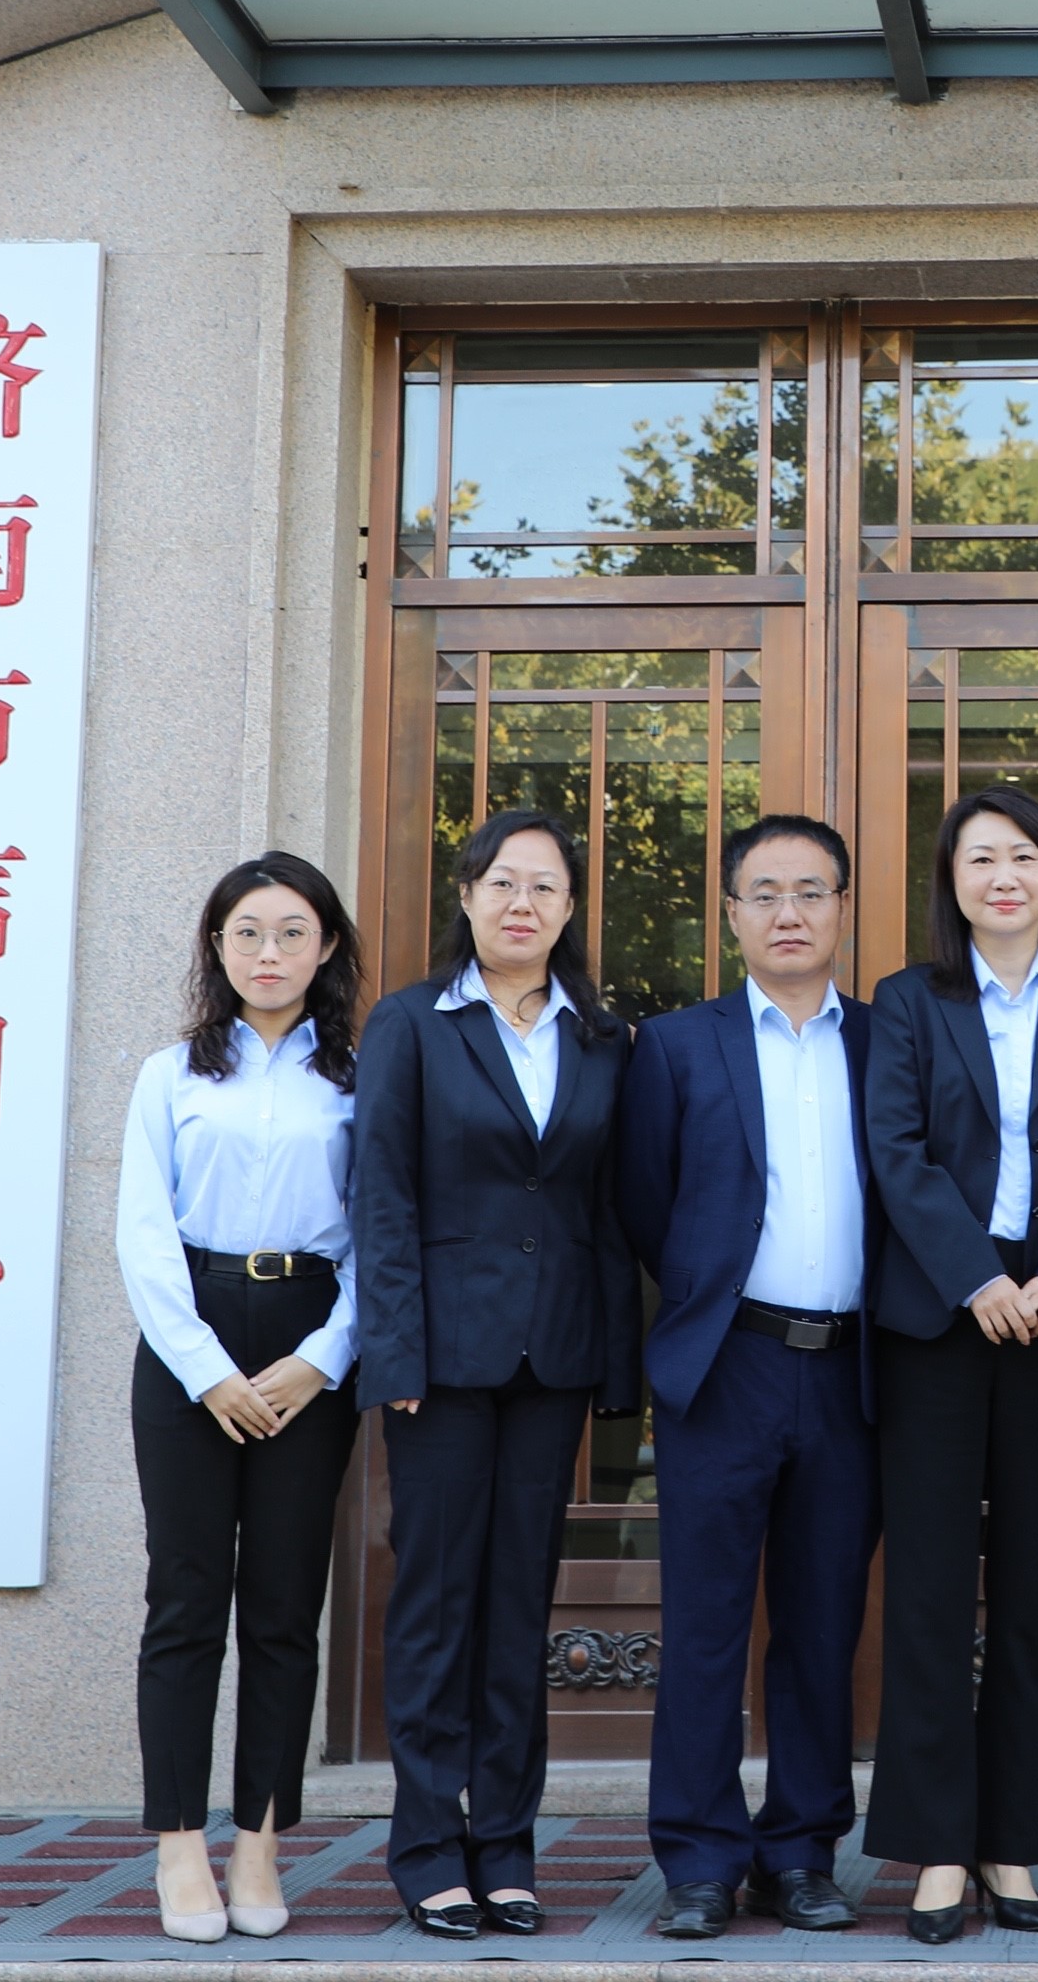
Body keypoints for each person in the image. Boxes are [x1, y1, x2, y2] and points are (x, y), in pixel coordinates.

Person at [862, 789, 1038, 1944]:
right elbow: (898, 1151)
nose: (1003, 877)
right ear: (952, 881)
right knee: (932, 1593)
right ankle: (937, 1847)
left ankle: (1013, 1842)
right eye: (980, 859)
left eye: (1022, 856)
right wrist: (975, 1276)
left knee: (1031, 1593)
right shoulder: (908, 1002)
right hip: (941, 1322)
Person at [349, 809, 639, 1939]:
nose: (524, 903)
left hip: (553, 1356)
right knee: (436, 1605)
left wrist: (616, 1364)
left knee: (520, 1607)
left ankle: (506, 1847)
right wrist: (395, 1350)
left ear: (570, 910)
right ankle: (429, 1846)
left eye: (546, 888)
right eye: (503, 883)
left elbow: (607, 1210)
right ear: (466, 897)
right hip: (442, 1362)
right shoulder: (412, 1024)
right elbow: (381, 1197)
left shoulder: (601, 1037)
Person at [614, 815, 881, 1941]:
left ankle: (802, 1852)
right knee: (706, 1623)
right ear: (731, 915)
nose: (788, 913)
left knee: (823, 1626)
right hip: (726, 1366)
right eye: (764, 893)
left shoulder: (887, 1041)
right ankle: (699, 1859)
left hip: (853, 1374)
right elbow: (645, 1202)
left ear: (841, 909)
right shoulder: (678, 1046)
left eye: (811, 892)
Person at [116, 855, 369, 1945]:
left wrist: (324, 1358)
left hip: (311, 1339)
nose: (270, 953)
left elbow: (382, 1230)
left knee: (282, 1606)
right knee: (185, 1598)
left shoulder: (361, 1079)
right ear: (216, 949)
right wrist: (204, 1368)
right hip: (194, 1334)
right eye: (248, 933)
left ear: (327, 947)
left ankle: (259, 1844)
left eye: (293, 932)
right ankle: (179, 1845)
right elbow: (142, 1230)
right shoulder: (171, 1075)